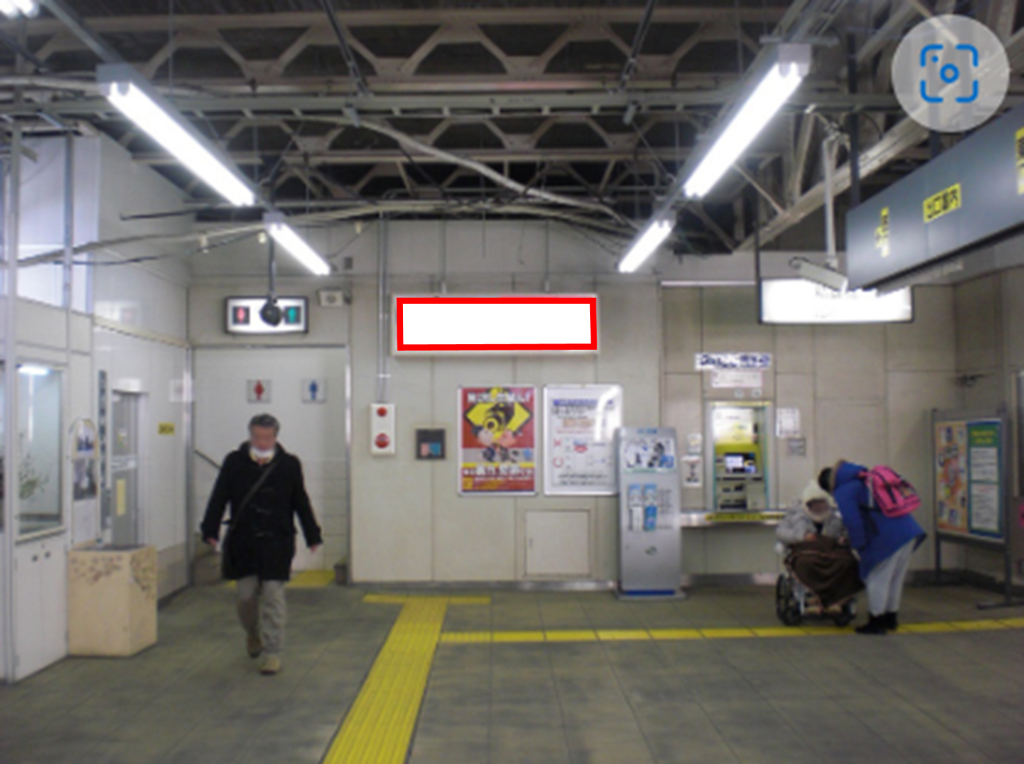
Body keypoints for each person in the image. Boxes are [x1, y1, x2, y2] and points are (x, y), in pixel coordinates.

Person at [201, 413, 323, 674]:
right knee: (245, 597)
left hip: (277, 540)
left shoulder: (289, 464)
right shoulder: (234, 462)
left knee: (273, 595)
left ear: (275, 437)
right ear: (250, 436)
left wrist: (312, 534)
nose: (262, 442)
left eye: (267, 437)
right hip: (243, 541)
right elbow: (219, 496)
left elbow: (300, 500)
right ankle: (252, 632)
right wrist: (210, 529)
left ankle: (272, 652)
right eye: (257, 436)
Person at [819, 461, 926, 635]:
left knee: (877, 578)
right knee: (895, 579)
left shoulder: (844, 491)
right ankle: (890, 619)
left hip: (888, 537)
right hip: (908, 531)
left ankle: (876, 622)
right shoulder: (864, 479)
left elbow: (853, 521)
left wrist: (857, 545)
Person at [776, 480, 845, 545]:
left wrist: (840, 539)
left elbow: (843, 533)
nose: (818, 506)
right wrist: (803, 537)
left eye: (821, 502)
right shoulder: (796, 515)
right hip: (802, 551)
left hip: (828, 552)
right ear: (808, 504)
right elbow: (781, 533)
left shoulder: (834, 519)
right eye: (815, 503)